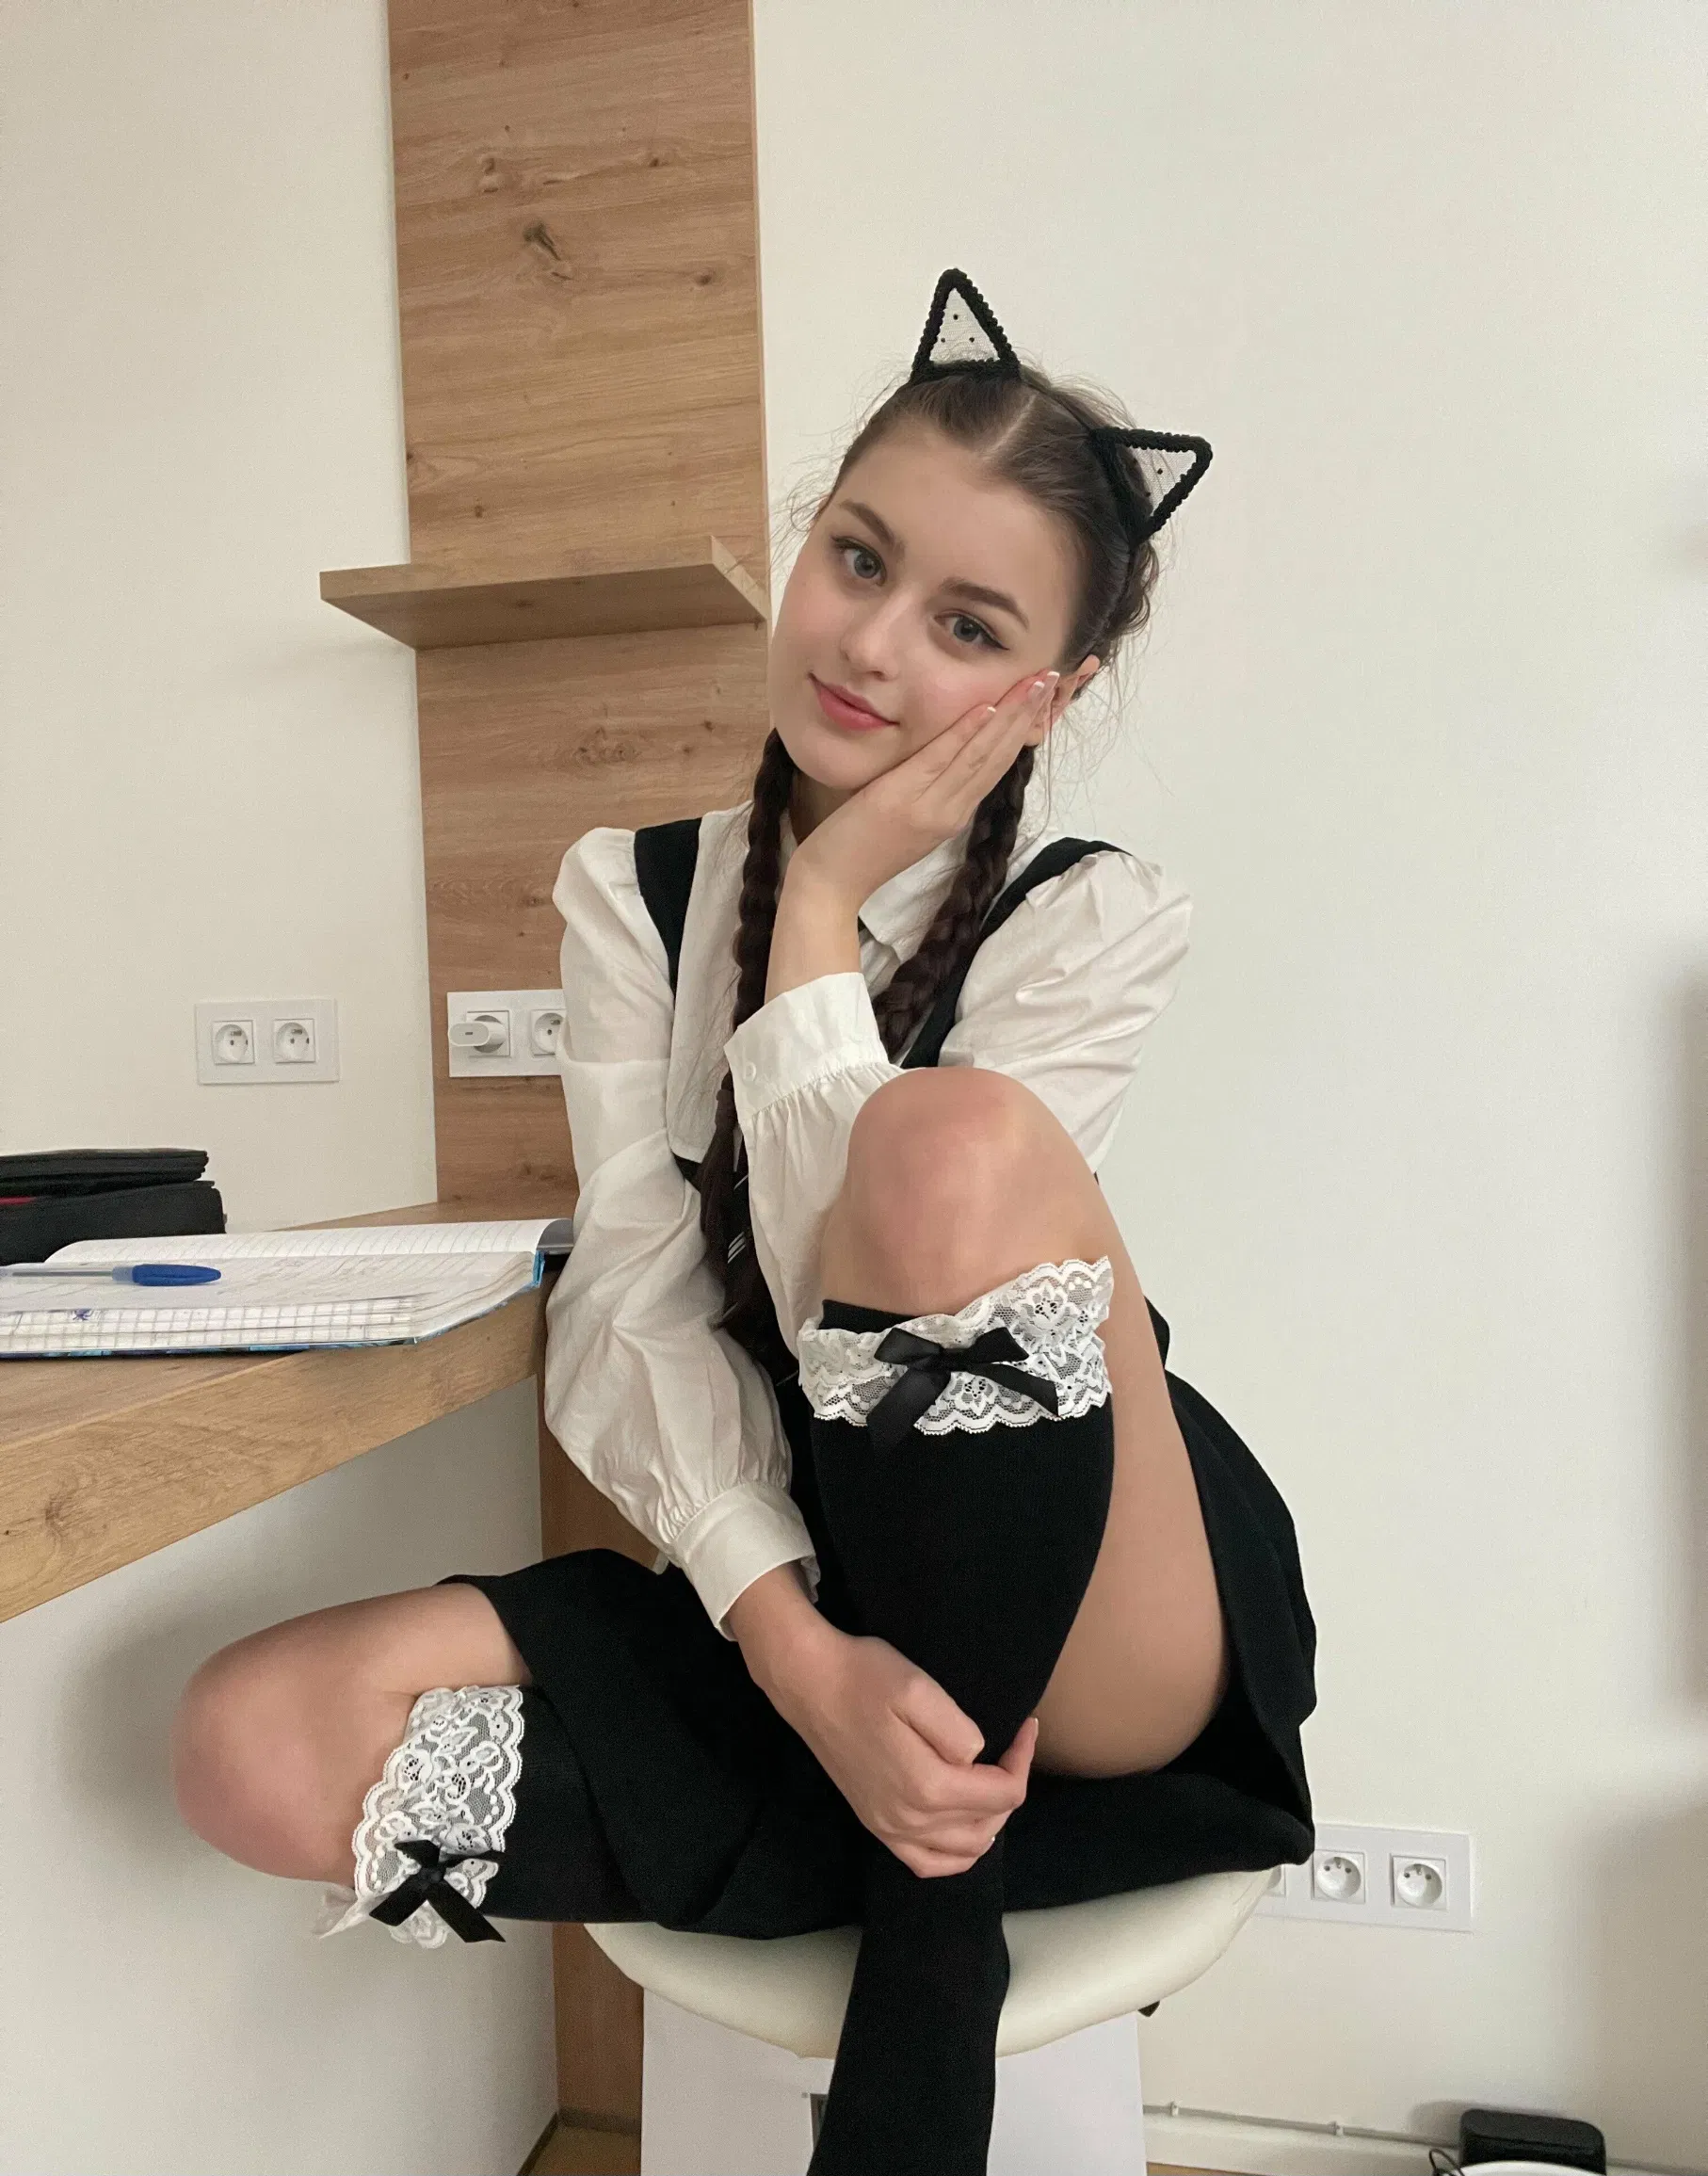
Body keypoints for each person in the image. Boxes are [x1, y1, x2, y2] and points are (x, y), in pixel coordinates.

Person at [169, 269, 1316, 2176]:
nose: (870, 642)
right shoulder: (628, 894)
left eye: (966, 624)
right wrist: (794, 1654)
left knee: (947, 1148)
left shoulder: (1091, 911)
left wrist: (815, 927)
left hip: (1085, 1604)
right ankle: (896, 1826)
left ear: (1050, 692)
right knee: (248, 1741)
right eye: (856, 558)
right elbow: (633, 1303)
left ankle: (927, 1957)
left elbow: (870, 1290)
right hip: (791, 1576)